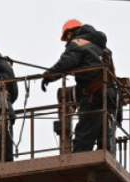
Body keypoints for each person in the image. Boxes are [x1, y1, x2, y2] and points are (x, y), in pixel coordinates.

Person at [41, 19, 117, 154]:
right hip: (110, 94)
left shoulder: (77, 43)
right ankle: (105, 155)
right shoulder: (103, 47)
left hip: (92, 94)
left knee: (84, 134)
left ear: (70, 33)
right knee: (105, 135)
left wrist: (49, 75)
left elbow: (67, 62)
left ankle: (79, 162)